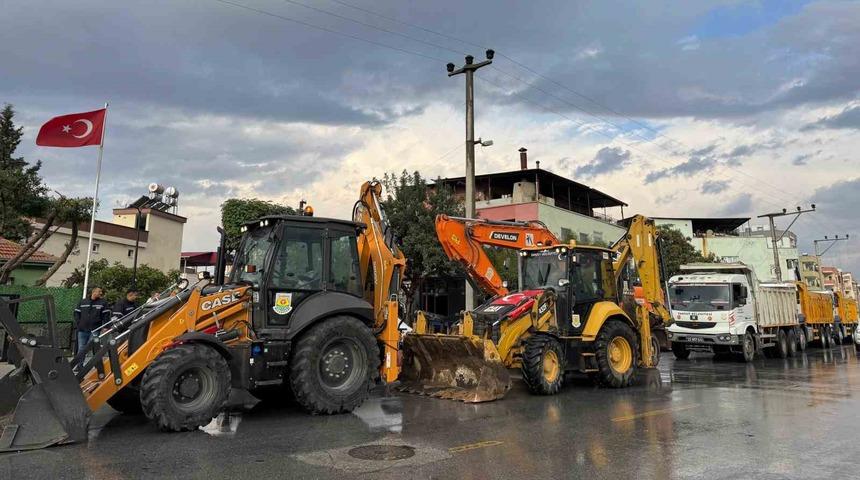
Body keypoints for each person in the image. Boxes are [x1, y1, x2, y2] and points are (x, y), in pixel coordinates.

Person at [74, 286, 111, 353]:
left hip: (95, 329)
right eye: (99, 291)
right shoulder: (83, 302)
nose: (101, 293)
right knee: (81, 348)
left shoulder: (103, 303)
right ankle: (79, 363)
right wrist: (79, 323)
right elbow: (77, 313)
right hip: (82, 329)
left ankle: (93, 363)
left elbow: (106, 315)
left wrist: (106, 327)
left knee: (92, 347)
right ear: (93, 292)